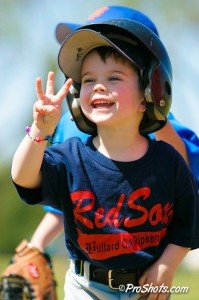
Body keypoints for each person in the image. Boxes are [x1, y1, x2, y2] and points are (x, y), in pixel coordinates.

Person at [11, 16, 199, 300]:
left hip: (147, 286)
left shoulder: (169, 163)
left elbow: (188, 222)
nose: (98, 86)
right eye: (88, 80)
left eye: (114, 77)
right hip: (85, 286)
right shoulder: (70, 156)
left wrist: (167, 265)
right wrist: (39, 131)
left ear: (150, 91)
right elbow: (24, 178)